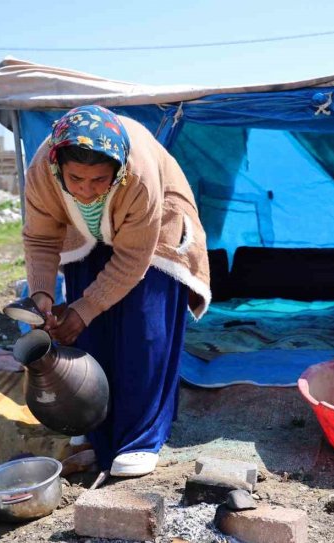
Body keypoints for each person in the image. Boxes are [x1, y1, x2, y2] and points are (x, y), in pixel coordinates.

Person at [22, 104, 210, 477]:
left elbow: (132, 260)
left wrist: (84, 308)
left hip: (156, 232)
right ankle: (95, 422)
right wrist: (42, 295)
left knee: (143, 330)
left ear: (119, 171)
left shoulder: (138, 177)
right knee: (87, 331)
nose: (86, 191)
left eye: (98, 180)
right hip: (87, 231)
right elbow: (41, 240)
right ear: (58, 166)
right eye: (75, 179)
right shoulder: (42, 170)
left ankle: (140, 437)